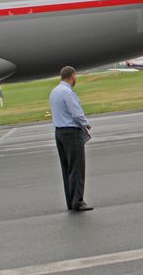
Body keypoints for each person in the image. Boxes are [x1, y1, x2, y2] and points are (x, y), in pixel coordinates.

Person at [49, 66, 93, 212]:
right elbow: (75, 112)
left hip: (59, 132)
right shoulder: (67, 92)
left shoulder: (54, 91)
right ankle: (78, 201)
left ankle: (70, 201)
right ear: (73, 76)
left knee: (66, 168)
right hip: (71, 133)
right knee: (76, 168)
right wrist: (86, 123)